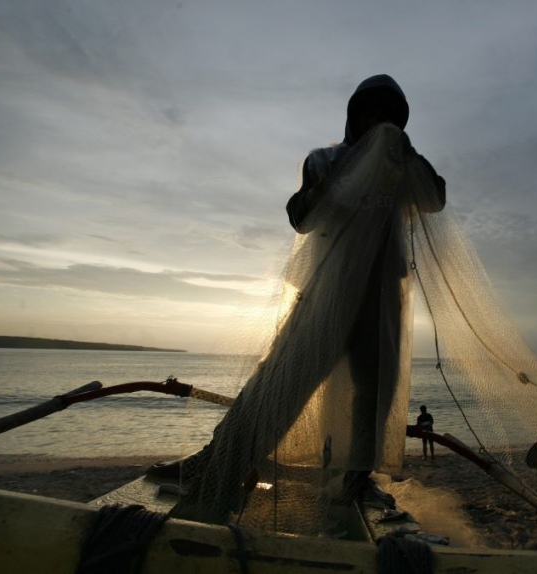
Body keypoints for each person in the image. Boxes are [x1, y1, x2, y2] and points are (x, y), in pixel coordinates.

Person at [159, 74, 447, 523]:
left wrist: (407, 154)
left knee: (374, 394)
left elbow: (436, 199)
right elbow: (301, 218)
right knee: (277, 382)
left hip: (381, 300)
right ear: (355, 118)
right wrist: (320, 188)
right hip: (327, 296)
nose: (380, 127)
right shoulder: (326, 159)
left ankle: (355, 482)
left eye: (390, 119)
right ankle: (216, 463)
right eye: (372, 116)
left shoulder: (403, 168)